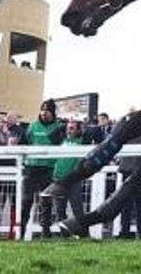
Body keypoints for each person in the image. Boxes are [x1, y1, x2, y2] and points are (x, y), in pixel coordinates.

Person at [19, 100, 65, 239]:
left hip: (49, 169)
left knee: (46, 202)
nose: (44, 113)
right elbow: (23, 143)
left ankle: (45, 233)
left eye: (47, 111)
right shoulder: (32, 126)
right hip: (31, 168)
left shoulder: (58, 127)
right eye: (42, 110)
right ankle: (20, 233)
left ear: (53, 113)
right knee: (26, 202)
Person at [52, 120, 88, 229]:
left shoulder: (82, 141)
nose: (69, 130)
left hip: (73, 180)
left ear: (78, 130)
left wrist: (80, 126)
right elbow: (51, 135)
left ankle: (83, 234)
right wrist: (64, 124)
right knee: (60, 210)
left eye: (72, 128)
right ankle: (63, 235)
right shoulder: (63, 140)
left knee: (77, 210)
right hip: (59, 178)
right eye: (68, 128)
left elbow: (91, 133)